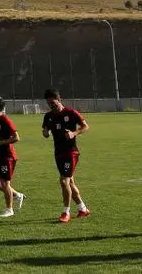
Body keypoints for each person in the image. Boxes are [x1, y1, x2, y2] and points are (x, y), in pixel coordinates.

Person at [42, 88, 89, 223]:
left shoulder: (71, 113)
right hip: (58, 153)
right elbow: (45, 131)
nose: (51, 105)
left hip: (71, 152)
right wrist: (45, 132)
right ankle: (83, 209)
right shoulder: (48, 116)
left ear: (59, 99)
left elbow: (85, 126)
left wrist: (74, 133)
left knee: (64, 181)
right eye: (49, 103)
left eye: (53, 102)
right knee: (70, 183)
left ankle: (66, 212)